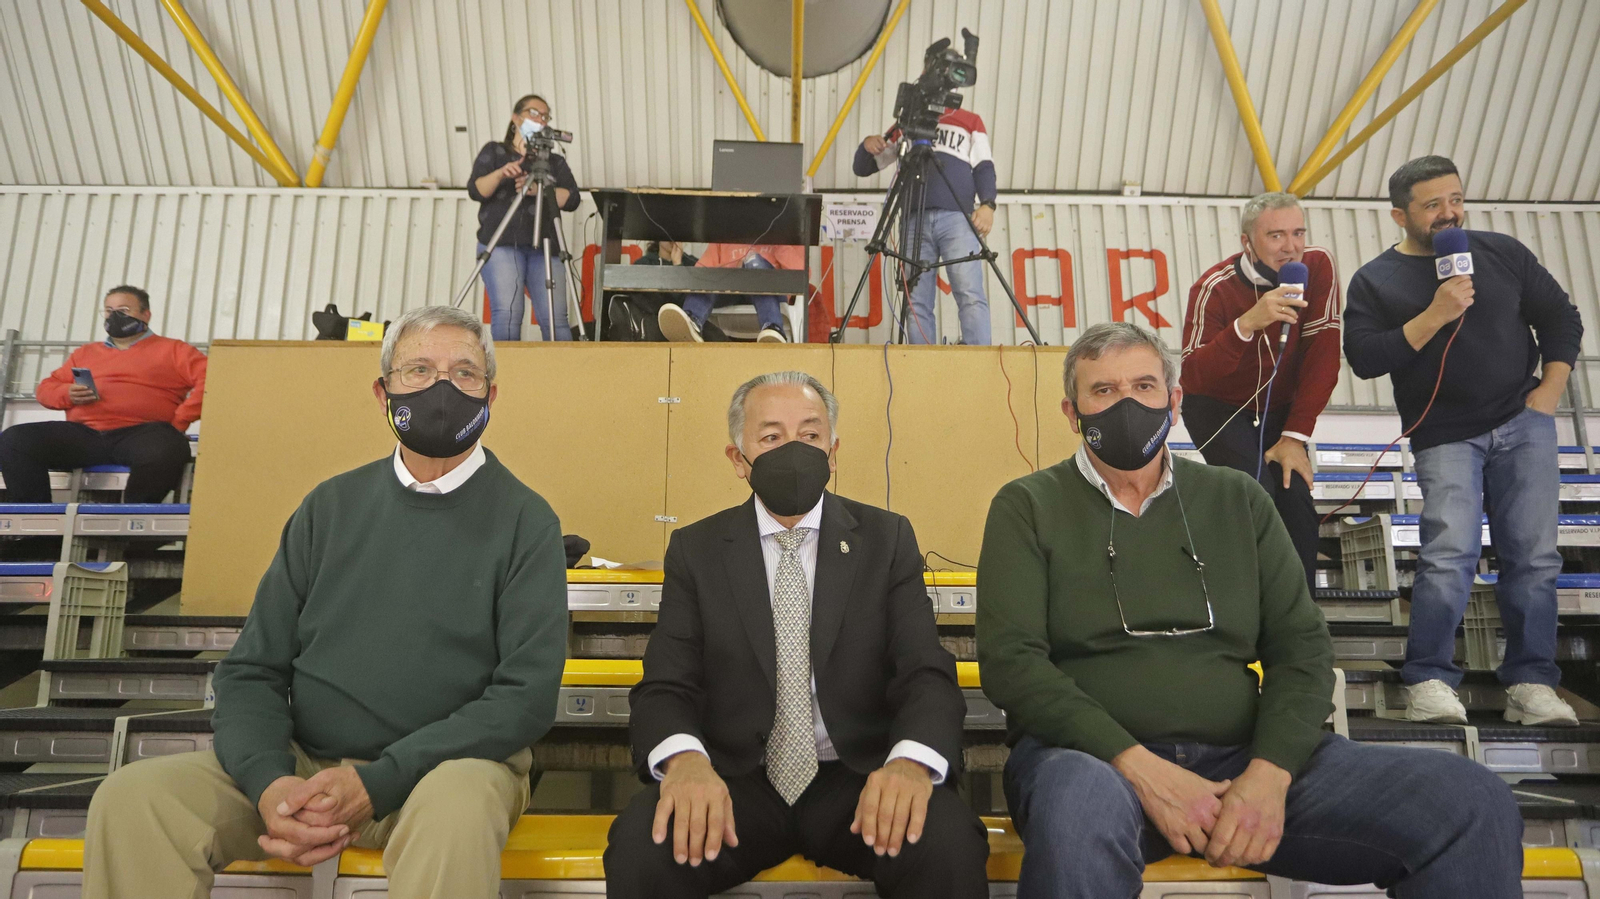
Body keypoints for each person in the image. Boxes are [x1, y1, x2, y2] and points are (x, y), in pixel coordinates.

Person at [978, 321, 1524, 898]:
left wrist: (1269, 774)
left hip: (1244, 762)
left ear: (1174, 400)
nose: (1127, 404)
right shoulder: (1028, 506)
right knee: (1076, 805)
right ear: (1072, 412)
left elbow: (1302, 649)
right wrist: (1142, 769)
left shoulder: (1237, 498)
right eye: (1103, 392)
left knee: (1469, 801)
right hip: (1096, 765)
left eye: (1143, 386)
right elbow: (1014, 665)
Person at [82, 306, 569, 899]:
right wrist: (270, 784)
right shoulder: (329, 508)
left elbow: (525, 698)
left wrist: (380, 780)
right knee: (134, 801)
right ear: (382, 390)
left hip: (445, 774)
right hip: (304, 766)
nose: (443, 387)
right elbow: (253, 671)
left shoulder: (526, 520)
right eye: (418, 370)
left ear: (491, 395)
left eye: (464, 373)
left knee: (457, 813)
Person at [604, 371, 989, 898]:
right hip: (737, 781)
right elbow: (667, 685)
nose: (794, 450)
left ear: (833, 453)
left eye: (809, 436)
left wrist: (910, 763)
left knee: (945, 842)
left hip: (857, 778)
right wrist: (686, 763)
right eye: (771, 437)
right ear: (738, 460)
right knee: (644, 845)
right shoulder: (697, 550)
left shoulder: (886, 539)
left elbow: (925, 670)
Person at [1345, 155, 1583, 727]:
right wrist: (1435, 313)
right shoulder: (1374, 279)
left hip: (1524, 423)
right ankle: (1428, 679)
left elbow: (1561, 319)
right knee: (1448, 554)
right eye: (1433, 205)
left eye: (1455, 198)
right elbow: (1365, 358)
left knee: (1533, 557)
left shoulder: (1502, 252)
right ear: (1400, 215)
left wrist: (1549, 391)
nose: (1449, 212)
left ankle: (1531, 683)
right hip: (1444, 434)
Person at [1179, 192, 1341, 589]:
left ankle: (1299, 617)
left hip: (1280, 411)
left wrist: (1294, 436)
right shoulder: (1212, 288)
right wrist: (1245, 325)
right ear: (1247, 242)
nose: (1291, 247)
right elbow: (1193, 376)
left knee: (1297, 502)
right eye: (1276, 236)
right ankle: (1246, 608)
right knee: (1256, 496)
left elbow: (1324, 356)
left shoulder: (1317, 267)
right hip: (1218, 408)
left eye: (1298, 232)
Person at [0, 285, 203, 504]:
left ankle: (132, 525)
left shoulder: (175, 350)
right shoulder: (86, 353)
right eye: (108, 310)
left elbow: (211, 381)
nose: (114, 315)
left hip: (143, 434)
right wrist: (67, 393)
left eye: (124, 309)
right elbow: (46, 389)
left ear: (146, 314)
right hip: (84, 435)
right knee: (15, 440)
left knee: (168, 448)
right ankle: (35, 527)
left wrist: (180, 421)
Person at [852, 105, 995, 345]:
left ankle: (979, 358)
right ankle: (922, 365)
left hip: (957, 217)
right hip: (913, 219)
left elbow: (984, 166)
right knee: (916, 299)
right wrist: (866, 145)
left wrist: (988, 204)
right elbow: (863, 167)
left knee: (968, 291)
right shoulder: (908, 121)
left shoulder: (970, 120)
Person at [467, 93, 582, 341]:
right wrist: (500, 174)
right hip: (502, 245)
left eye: (545, 116)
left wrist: (540, 190)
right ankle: (507, 375)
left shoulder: (554, 161)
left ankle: (566, 374)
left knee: (556, 318)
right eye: (534, 113)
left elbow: (572, 199)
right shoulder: (495, 151)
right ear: (515, 118)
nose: (540, 119)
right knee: (508, 314)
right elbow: (476, 190)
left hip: (545, 246)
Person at [657, 243, 804, 344]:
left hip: (770, 295)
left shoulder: (781, 238)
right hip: (732, 293)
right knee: (712, 273)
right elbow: (700, 274)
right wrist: (733, 271)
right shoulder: (726, 237)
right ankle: (692, 321)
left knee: (754, 262)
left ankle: (773, 326)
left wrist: (779, 243)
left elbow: (802, 277)